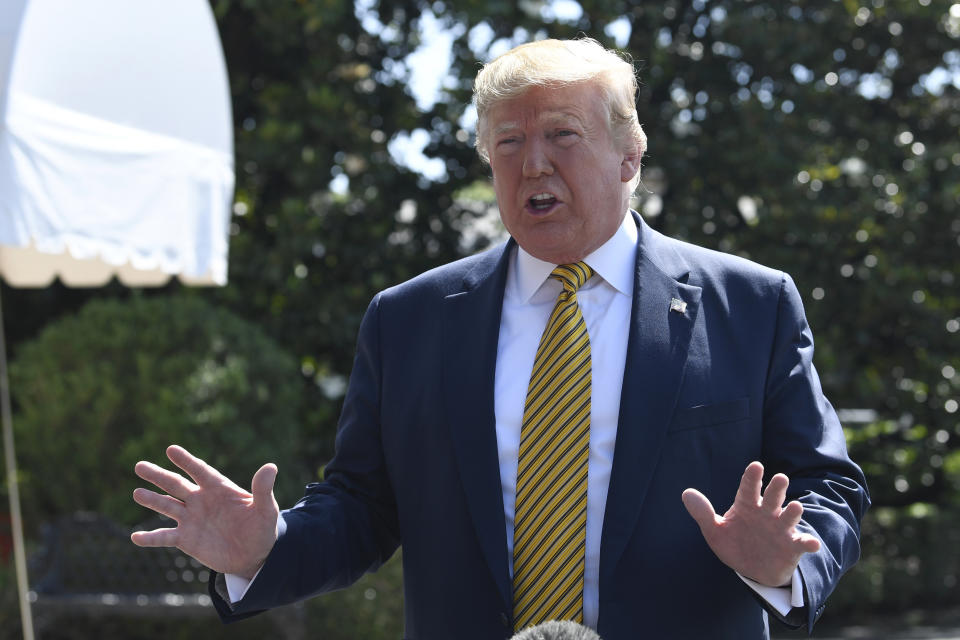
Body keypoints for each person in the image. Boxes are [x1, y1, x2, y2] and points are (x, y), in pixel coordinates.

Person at [131, 38, 869, 639]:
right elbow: (363, 504)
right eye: (508, 142)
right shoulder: (410, 318)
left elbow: (827, 483)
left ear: (629, 157)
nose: (533, 163)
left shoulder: (749, 303)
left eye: (561, 136)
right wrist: (270, 550)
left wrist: (786, 562)